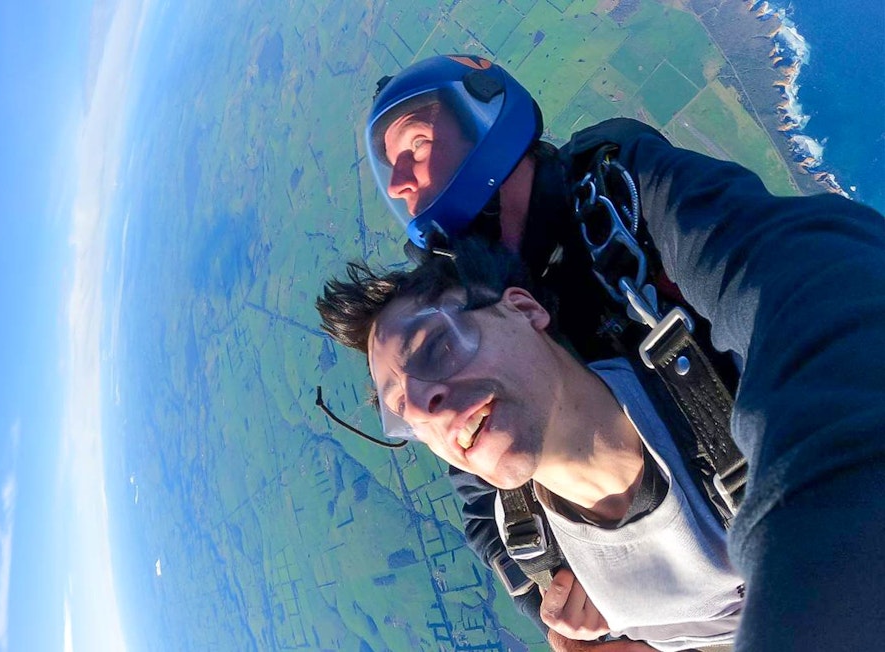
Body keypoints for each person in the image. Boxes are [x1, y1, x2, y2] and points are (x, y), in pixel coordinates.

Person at [360, 55, 885, 650]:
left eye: (417, 144)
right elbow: (483, 498)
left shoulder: (622, 202)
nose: (400, 184)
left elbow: (803, 279)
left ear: (483, 117)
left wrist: (821, 517)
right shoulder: (467, 330)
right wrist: (555, 601)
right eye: (389, 171)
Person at [317, 240, 743, 651]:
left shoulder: (744, 400)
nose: (426, 406)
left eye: (437, 345)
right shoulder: (531, 548)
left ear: (523, 309)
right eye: (403, 410)